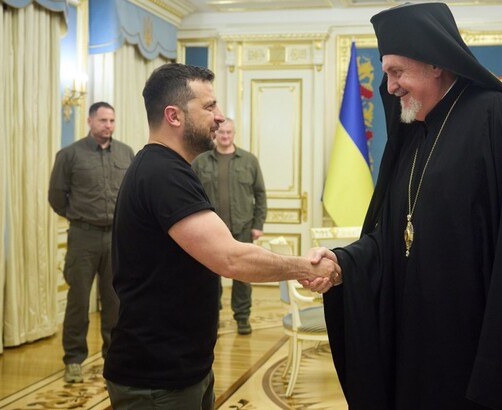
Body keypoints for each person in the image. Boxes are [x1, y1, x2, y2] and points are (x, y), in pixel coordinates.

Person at [317, 3, 502, 409]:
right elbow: (392, 235)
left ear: (436, 63)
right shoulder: (414, 135)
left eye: (397, 71)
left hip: (477, 357)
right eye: (386, 73)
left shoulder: (498, 121)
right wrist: (343, 262)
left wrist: (497, 364)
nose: (390, 87)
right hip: (416, 348)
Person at [102, 63, 338, 410]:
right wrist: (307, 267)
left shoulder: (170, 168)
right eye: (210, 106)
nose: (220, 117)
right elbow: (231, 258)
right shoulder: (163, 173)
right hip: (156, 379)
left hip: (180, 368)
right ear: (174, 116)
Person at [48, 102, 135, 383]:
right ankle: (73, 359)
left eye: (112, 120)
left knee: (115, 301)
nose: (108, 125)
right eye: (102, 120)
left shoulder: (126, 153)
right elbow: (57, 197)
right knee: (78, 301)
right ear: (89, 121)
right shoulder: (69, 155)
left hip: (117, 237)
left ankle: (115, 357)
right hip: (83, 236)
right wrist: (80, 217)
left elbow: (133, 192)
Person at [192, 117, 267, 335]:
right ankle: (210, 318)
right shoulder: (201, 160)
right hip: (209, 231)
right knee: (208, 278)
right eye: (221, 132)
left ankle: (242, 317)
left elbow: (260, 194)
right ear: (215, 133)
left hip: (242, 228)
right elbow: (191, 193)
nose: (225, 136)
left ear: (234, 134)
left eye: (229, 133)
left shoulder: (249, 161)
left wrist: (258, 223)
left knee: (243, 276)